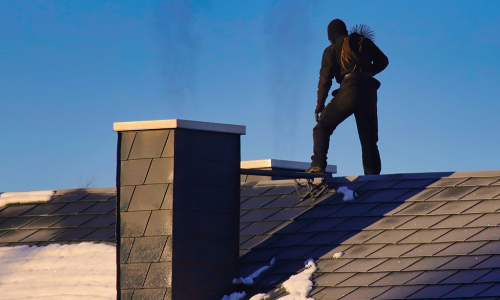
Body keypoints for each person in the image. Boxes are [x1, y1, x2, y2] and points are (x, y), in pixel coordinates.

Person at [306, 19, 388, 175]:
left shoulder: (331, 49)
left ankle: (317, 165)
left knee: (321, 128)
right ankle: (373, 179)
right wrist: (367, 73)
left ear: (331, 36)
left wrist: (320, 104)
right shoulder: (364, 43)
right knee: (369, 140)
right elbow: (384, 61)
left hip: (349, 90)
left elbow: (325, 80)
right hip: (369, 91)